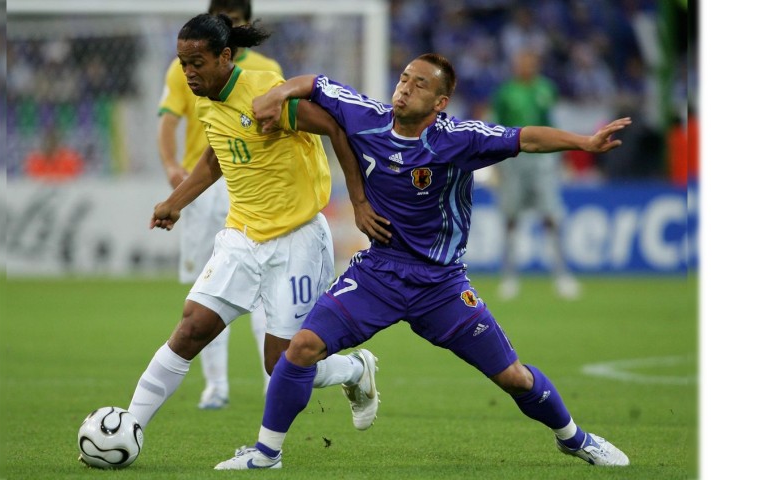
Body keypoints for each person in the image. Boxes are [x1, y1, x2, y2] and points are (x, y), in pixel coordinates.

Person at [214, 53, 631, 469]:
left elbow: (525, 138)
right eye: (404, 78)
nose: (405, 88)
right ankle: (266, 454)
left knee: (514, 377)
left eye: (420, 84)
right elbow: (317, 83)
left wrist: (584, 142)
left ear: (440, 102)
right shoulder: (368, 117)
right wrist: (281, 92)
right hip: (379, 272)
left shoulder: (458, 140)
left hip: (441, 285)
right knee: (302, 347)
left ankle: (576, 439)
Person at [127, 14, 392, 437]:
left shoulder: (265, 93)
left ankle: (354, 368)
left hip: (297, 240)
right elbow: (218, 153)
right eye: (182, 63)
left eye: (197, 62)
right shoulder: (204, 100)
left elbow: (334, 128)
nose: (188, 72)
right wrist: (175, 203)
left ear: (225, 56)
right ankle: (128, 428)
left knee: (281, 364)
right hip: (241, 237)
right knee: (192, 326)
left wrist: (358, 201)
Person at [156, 0, 283, 411]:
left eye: (236, 24)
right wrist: (172, 165)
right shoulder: (186, 68)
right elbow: (169, 120)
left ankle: (272, 382)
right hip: (203, 186)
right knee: (208, 289)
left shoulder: (265, 70)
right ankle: (217, 386)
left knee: (265, 291)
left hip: (251, 184)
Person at [491, 49, 579, 300]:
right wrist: (496, 165)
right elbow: (496, 128)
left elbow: (554, 124)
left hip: (542, 161)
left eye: (530, 61)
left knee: (550, 216)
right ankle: (509, 277)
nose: (525, 66)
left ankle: (561, 275)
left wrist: (563, 158)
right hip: (513, 161)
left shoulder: (546, 89)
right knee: (510, 218)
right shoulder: (505, 92)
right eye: (521, 61)